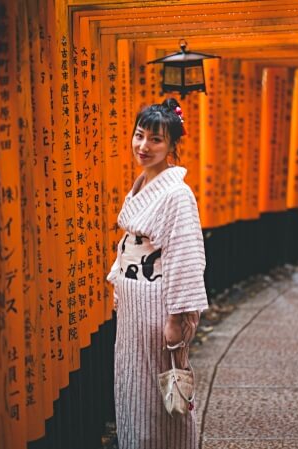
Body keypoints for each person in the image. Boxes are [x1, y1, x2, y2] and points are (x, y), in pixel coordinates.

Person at [106, 98, 209, 449]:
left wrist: (177, 317)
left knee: (159, 390)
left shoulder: (177, 194)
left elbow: (185, 256)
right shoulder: (142, 186)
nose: (143, 146)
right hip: (134, 303)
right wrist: (118, 283)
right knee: (132, 384)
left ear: (171, 146)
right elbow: (128, 244)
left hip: (156, 303)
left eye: (155, 139)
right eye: (139, 136)